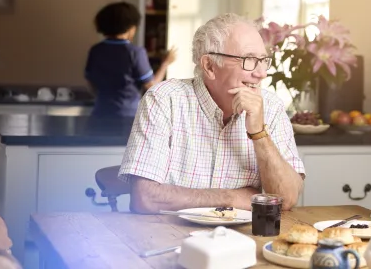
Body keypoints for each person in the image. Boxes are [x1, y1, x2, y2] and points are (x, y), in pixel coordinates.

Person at [118, 13, 305, 213]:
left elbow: (286, 199)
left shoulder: (272, 107)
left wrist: (259, 133)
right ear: (210, 66)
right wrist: (230, 197)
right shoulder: (164, 100)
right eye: (249, 59)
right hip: (168, 231)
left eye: (263, 60)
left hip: (244, 233)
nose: (261, 73)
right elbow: (145, 198)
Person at [85, 2, 176, 117]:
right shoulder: (135, 53)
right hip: (127, 117)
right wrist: (165, 63)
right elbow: (151, 86)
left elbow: (91, 84)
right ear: (131, 28)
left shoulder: (96, 50)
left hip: (100, 114)